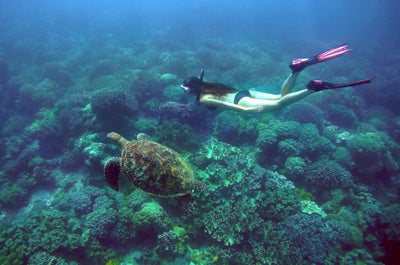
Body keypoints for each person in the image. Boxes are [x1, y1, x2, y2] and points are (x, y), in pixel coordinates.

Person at [180, 44, 373, 113]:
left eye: (186, 89)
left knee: (281, 104)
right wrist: (197, 80)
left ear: (193, 89)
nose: (186, 92)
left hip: (243, 102)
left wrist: (246, 111)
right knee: (282, 95)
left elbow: (228, 106)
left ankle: (312, 88)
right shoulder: (208, 86)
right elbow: (200, 80)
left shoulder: (204, 98)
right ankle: (296, 70)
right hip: (245, 92)